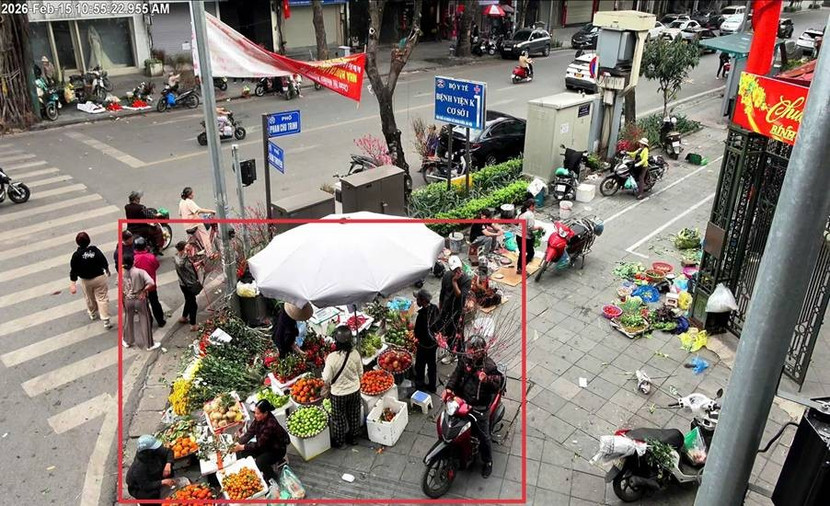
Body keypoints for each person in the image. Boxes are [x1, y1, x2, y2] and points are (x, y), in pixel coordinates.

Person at [443, 335, 504, 479]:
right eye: (468, 349)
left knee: (484, 437)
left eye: (472, 350)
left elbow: (497, 385)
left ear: (480, 351)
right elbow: (456, 374)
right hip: (462, 399)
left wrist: (487, 380)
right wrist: (449, 388)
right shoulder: (464, 359)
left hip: (479, 406)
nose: (469, 352)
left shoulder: (489, 366)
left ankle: (488, 462)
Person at [322, 326, 363, 448]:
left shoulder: (331, 358)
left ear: (336, 341)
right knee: (354, 415)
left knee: (338, 419)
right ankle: (354, 438)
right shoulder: (355, 354)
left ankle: (341, 442)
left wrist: (326, 363)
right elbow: (361, 373)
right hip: (354, 390)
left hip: (338, 394)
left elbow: (326, 378)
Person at [232, 399, 290, 483]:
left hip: (276, 450)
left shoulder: (270, 425)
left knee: (260, 462)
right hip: (265, 446)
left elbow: (259, 444)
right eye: (255, 413)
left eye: (258, 413)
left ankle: (273, 478)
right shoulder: (259, 419)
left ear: (265, 413)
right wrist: (239, 443)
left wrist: (241, 447)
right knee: (244, 452)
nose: (255, 415)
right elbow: (250, 432)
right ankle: (252, 472)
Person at [69, 232, 112, 329]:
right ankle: (106, 320)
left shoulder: (76, 255)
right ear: (89, 240)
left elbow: (74, 270)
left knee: (89, 297)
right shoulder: (95, 250)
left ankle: (92, 313)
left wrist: (73, 284)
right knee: (102, 298)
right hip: (99, 278)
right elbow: (103, 260)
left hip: (86, 280)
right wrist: (107, 270)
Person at [435, 255, 472, 363]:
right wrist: (440, 307)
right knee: (445, 331)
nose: (458, 271)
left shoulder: (466, 280)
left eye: (459, 268)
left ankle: (455, 354)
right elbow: (442, 293)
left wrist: (455, 282)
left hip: (457, 311)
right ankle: (451, 349)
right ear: (451, 269)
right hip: (446, 309)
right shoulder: (446, 276)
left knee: (456, 334)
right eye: (455, 269)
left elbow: (460, 296)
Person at [122, 255, 158, 351]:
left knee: (128, 319)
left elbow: (120, 286)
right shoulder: (140, 272)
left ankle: (127, 341)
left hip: (128, 299)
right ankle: (149, 344)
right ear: (133, 261)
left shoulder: (121, 273)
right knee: (144, 319)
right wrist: (143, 290)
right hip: (140, 299)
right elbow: (151, 283)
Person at [126, 435, 175, 504]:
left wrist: (168, 464)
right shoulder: (139, 468)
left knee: (169, 471)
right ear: (147, 451)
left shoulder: (154, 451)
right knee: (153, 494)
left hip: (154, 474)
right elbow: (146, 486)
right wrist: (162, 482)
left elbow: (169, 452)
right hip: (140, 487)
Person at [133, 237, 166, 328]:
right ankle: (160, 321)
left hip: (140, 286)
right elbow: (156, 265)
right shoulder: (151, 257)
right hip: (151, 285)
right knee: (155, 302)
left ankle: (148, 322)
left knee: (144, 305)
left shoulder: (134, 259)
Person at [413, 289, 440, 393]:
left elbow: (418, 333)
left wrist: (417, 340)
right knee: (432, 365)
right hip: (433, 345)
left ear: (423, 300)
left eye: (418, 299)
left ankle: (419, 386)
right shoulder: (434, 308)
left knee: (419, 366)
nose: (416, 301)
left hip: (424, 346)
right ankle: (432, 386)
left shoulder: (422, 316)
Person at [178, 187, 216, 257]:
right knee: (205, 237)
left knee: (191, 239)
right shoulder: (189, 202)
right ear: (189, 195)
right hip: (194, 224)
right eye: (192, 193)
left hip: (186, 226)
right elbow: (199, 210)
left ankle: (186, 252)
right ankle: (210, 254)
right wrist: (212, 211)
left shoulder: (181, 202)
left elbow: (180, 213)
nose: (193, 194)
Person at [173, 241, 202, 331]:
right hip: (189, 284)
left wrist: (196, 264)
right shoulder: (183, 260)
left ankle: (184, 317)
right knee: (193, 304)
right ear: (183, 249)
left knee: (188, 300)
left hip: (183, 284)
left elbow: (186, 267)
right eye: (186, 248)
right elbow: (184, 265)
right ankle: (193, 325)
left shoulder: (176, 257)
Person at [125, 191, 164, 255]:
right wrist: (156, 215)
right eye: (138, 198)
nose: (139, 200)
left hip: (130, 228)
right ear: (136, 199)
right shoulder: (141, 207)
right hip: (142, 229)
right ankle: (158, 248)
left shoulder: (127, 207)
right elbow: (149, 215)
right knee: (157, 230)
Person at [515, 199, 544, 275]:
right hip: (525, 237)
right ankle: (522, 268)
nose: (535, 208)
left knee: (522, 252)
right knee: (531, 253)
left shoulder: (521, 212)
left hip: (518, 236)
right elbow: (531, 227)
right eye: (534, 206)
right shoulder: (530, 214)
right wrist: (539, 227)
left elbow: (515, 222)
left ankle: (519, 268)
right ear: (531, 206)